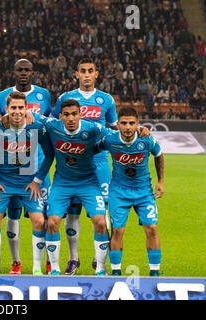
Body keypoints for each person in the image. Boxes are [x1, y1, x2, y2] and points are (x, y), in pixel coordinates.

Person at [51, 57, 118, 275]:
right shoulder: (66, 98)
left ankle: (100, 261)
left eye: (91, 71)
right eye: (83, 71)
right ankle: (73, 258)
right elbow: (52, 122)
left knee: (101, 214)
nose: (87, 74)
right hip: (72, 161)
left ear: (97, 74)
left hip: (98, 163)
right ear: (76, 74)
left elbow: (115, 127)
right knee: (72, 214)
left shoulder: (106, 99)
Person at [36, 99, 112, 276]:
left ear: (80, 115)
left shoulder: (92, 128)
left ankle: (100, 268)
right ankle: (54, 270)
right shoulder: (53, 125)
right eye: (67, 115)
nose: (70, 118)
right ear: (60, 116)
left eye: (74, 114)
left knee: (101, 222)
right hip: (62, 183)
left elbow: (115, 135)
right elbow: (33, 115)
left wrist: (139, 131)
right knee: (53, 222)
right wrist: (23, 114)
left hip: (88, 183)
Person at [0, 58, 53, 274]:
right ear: (14, 71)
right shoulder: (2, 96)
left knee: (42, 217)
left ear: (33, 72)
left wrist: (33, 116)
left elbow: (48, 124)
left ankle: (47, 260)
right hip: (10, 168)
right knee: (12, 215)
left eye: (27, 70)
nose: (23, 74)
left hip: (37, 168)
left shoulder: (44, 94)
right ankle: (15, 262)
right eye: (20, 70)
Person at [98, 107, 164, 276]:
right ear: (117, 124)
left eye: (132, 123)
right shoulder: (110, 140)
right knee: (117, 230)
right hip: (119, 192)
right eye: (124, 123)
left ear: (138, 124)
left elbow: (159, 154)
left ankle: (155, 273)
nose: (128, 127)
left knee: (152, 228)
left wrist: (161, 181)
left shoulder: (147, 139)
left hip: (144, 192)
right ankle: (116, 272)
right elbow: (94, 149)